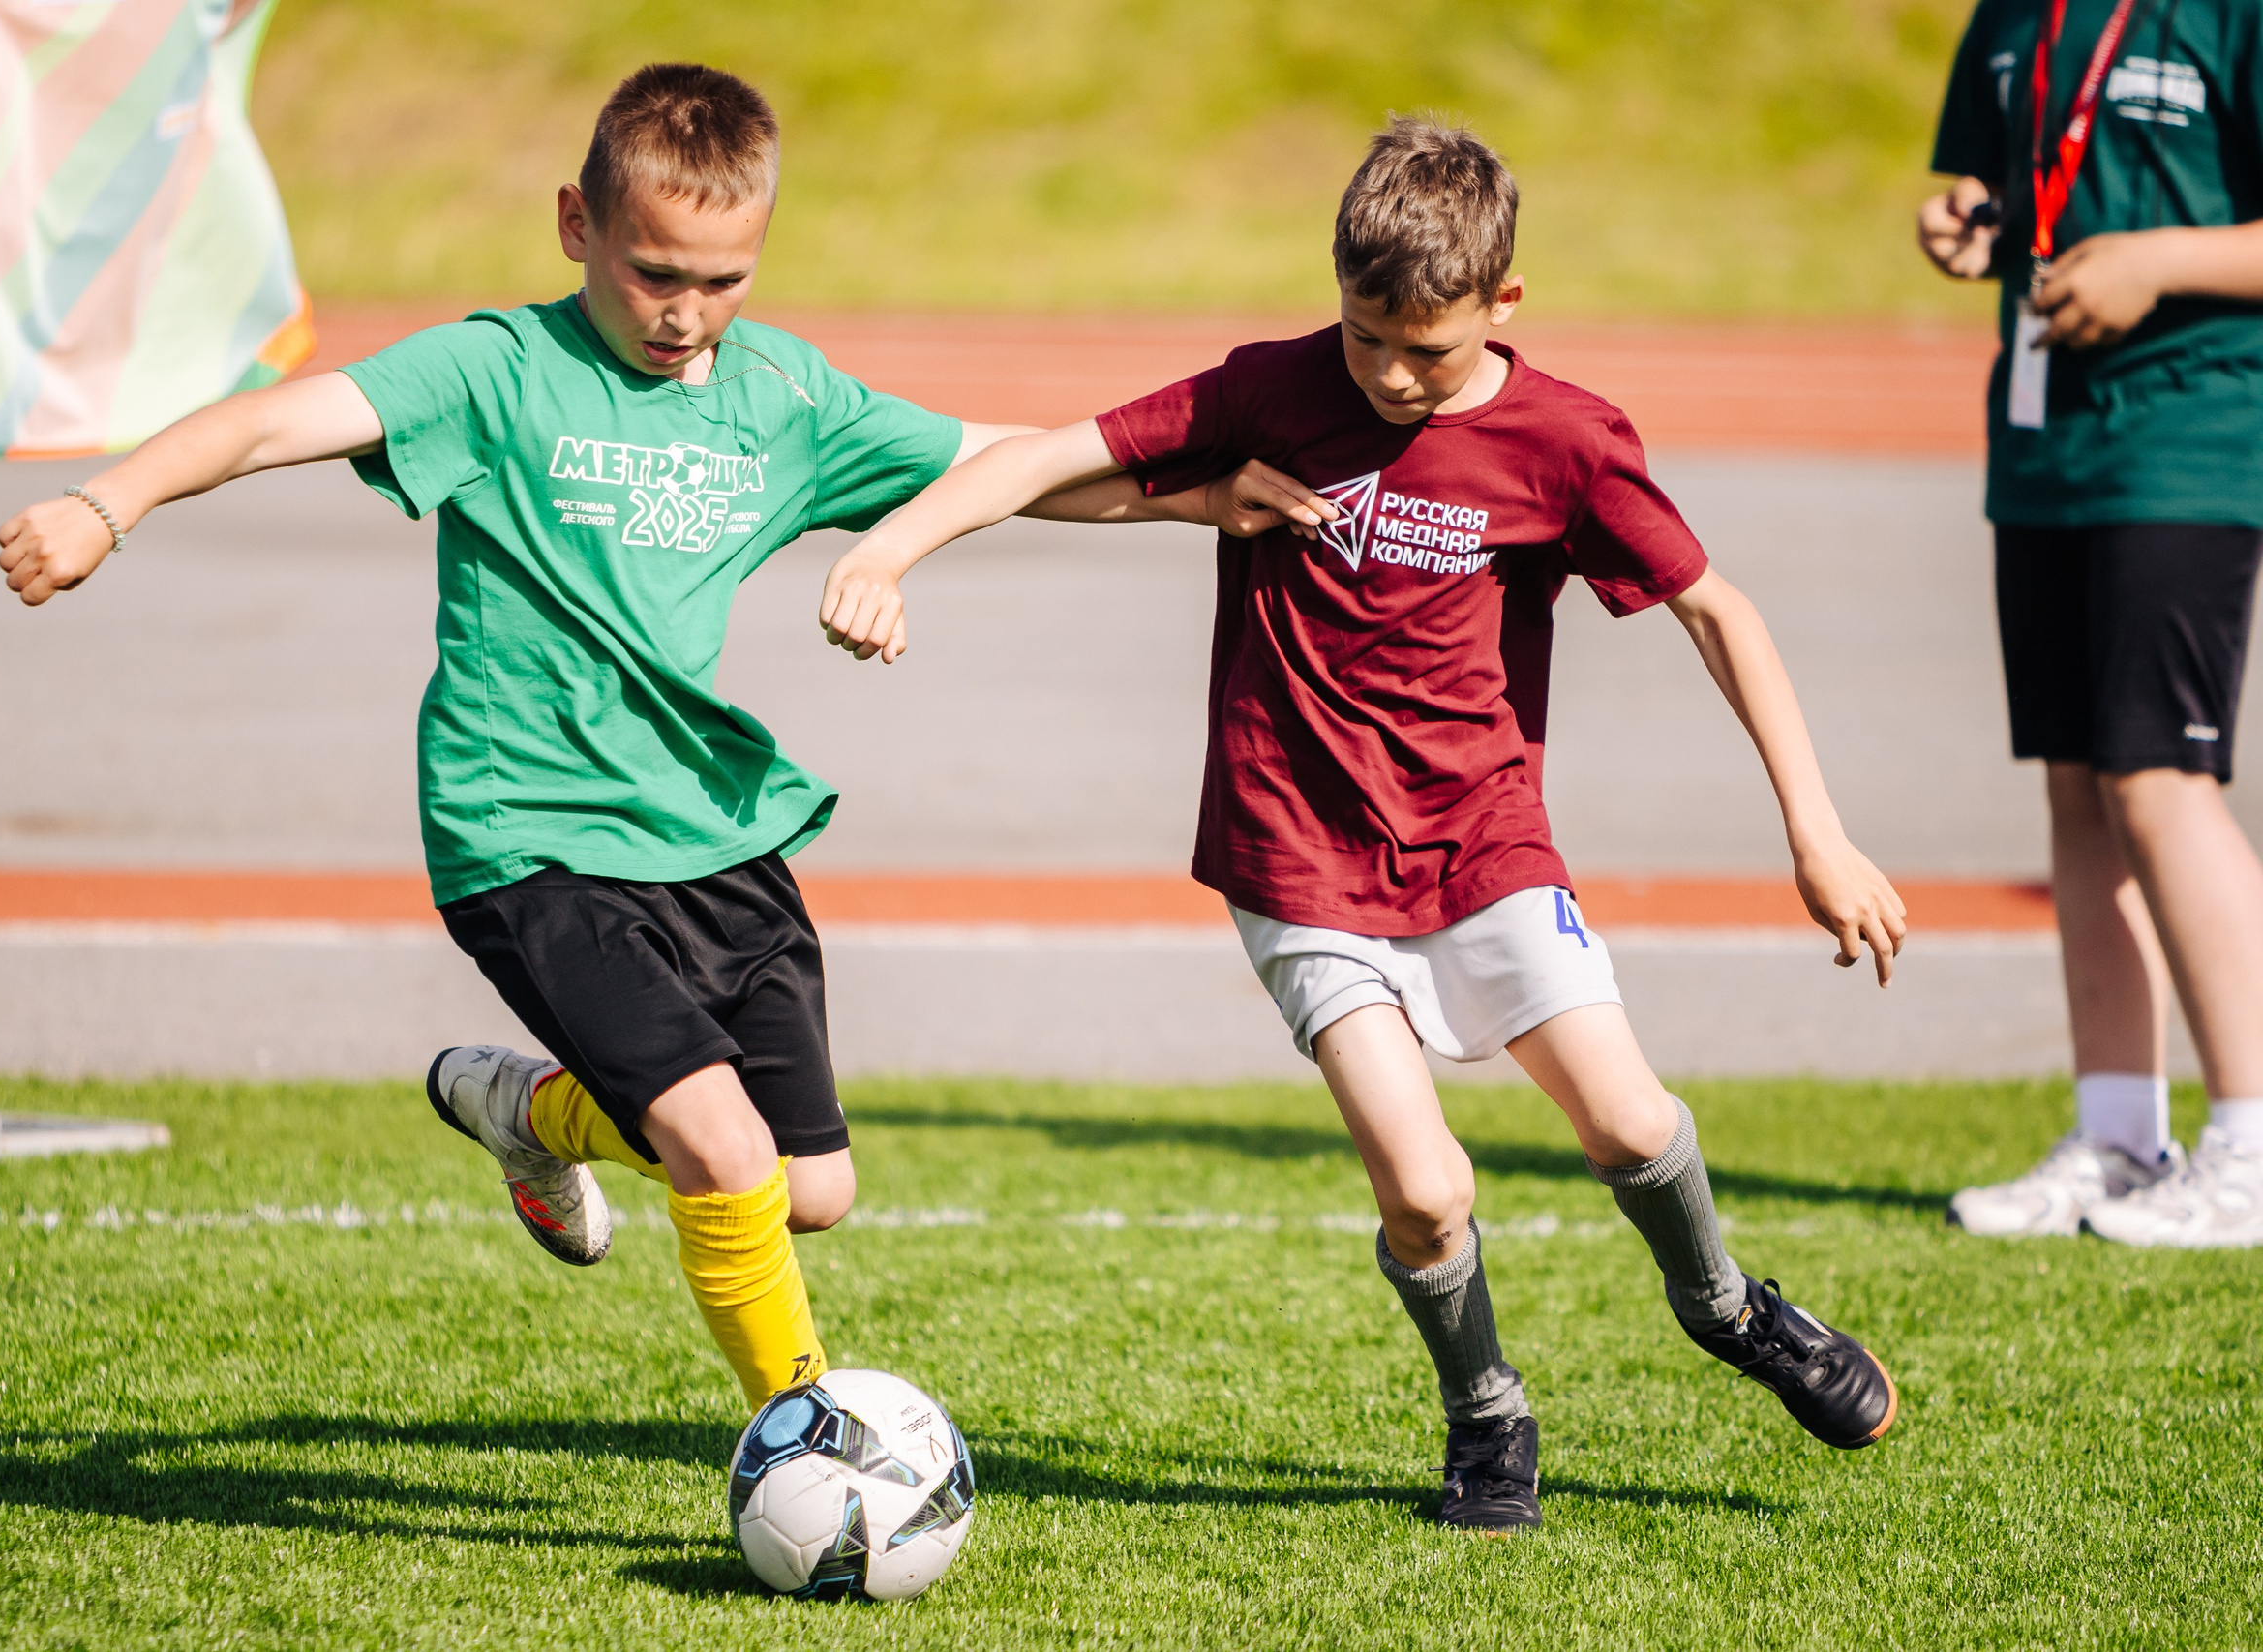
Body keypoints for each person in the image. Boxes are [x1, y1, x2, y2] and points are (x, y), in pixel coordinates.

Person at [0, 63, 1301, 1408]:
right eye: (654, 273)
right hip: (529, 835)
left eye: (722, 281)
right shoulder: (499, 371)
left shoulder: (782, 398)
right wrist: (112, 501)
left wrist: (1200, 497)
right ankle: (809, 1430)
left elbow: (1000, 462)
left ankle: (528, 1111)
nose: (684, 314)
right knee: (724, 1156)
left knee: (815, 1193)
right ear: (578, 226)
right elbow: (278, 420)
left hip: (711, 824)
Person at [813, 118, 1910, 1533]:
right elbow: (1045, 461)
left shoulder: (1569, 441)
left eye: (1427, 348)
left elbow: (1719, 608)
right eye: (1365, 335)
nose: (1390, 374)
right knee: (1427, 1192)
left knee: (1632, 1121)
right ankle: (1486, 1415)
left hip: (1486, 845)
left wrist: (1816, 836)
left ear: (1503, 305)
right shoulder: (1274, 389)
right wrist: (887, 551)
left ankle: (1720, 1304)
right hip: (1299, 858)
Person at [1921, 1, 2263, 1247]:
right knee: (2077, 786)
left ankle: (2250, 1146)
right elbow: (2013, 180)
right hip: (2045, 440)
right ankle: (2119, 1135)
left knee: (2159, 780)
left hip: (2186, 438)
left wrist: (2156, 260)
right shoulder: (2015, 10)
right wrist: (1969, 219)